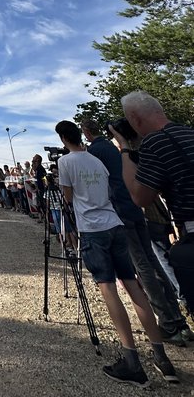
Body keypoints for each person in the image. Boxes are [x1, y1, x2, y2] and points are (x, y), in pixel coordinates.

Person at [55, 119, 178, 386]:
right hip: (114, 223)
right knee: (134, 286)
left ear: (64, 139)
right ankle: (161, 357)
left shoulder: (65, 162)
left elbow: (66, 197)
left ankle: (131, 360)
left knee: (108, 288)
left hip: (92, 228)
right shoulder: (97, 160)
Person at [81, 118, 191, 344]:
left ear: (86, 132)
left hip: (121, 210)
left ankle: (168, 324)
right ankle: (178, 320)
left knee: (142, 267)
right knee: (154, 263)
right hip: (139, 209)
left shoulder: (97, 151)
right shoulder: (119, 149)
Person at [110, 90, 194, 317]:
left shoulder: (155, 142)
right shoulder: (188, 132)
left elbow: (140, 197)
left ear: (135, 119)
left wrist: (125, 148)